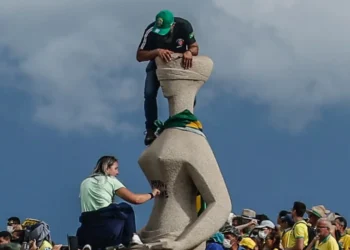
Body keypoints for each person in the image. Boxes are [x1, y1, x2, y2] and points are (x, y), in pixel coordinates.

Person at [136, 9, 199, 146]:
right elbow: (139, 56)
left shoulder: (184, 26)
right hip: (158, 65)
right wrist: (157, 51)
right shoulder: (151, 30)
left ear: (172, 25)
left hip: (179, 65)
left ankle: (181, 122)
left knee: (187, 95)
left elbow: (195, 47)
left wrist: (189, 52)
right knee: (149, 93)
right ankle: (151, 129)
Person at [77, 156, 161, 249]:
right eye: (116, 168)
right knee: (125, 208)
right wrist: (152, 194)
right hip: (108, 230)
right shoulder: (110, 180)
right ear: (107, 168)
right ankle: (132, 239)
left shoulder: (84, 182)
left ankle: (90, 245)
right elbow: (136, 200)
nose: (118, 172)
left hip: (86, 232)